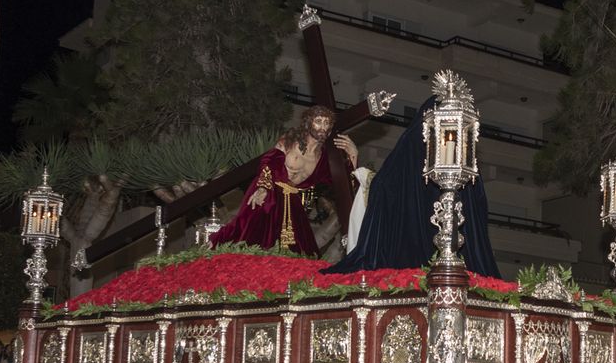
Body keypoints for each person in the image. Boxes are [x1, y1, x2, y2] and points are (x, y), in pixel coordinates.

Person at [325, 97, 500, 277]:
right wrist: (355, 166)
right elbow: (384, 186)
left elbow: (383, 187)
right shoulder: (413, 152)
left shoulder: (461, 165)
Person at [210, 105, 358, 255]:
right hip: (270, 191)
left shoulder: (323, 158)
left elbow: (343, 183)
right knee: (249, 232)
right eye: (318, 121)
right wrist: (263, 188)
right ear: (308, 123)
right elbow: (269, 161)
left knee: (300, 249)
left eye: (327, 123)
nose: (323, 127)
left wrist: (353, 155)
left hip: (292, 201)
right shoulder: (290, 141)